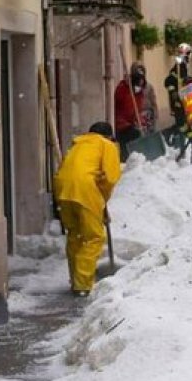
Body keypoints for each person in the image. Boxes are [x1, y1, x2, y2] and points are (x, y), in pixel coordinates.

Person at [53, 122, 122, 297]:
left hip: (62, 190)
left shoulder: (78, 145)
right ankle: (83, 285)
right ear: (108, 137)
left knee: (74, 234)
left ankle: (75, 279)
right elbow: (111, 178)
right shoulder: (106, 145)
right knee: (94, 237)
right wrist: (102, 201)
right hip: (84, 190)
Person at [164, 43, 192, 159]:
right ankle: (177, 144)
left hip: (183, 101)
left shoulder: (184, 66)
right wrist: (173, 93)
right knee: (182, 125)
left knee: (184, 125)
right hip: (178, 102)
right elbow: (168, 81)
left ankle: (180, 147)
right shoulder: (179, 66)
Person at [114, 66, 145, 161]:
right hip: (121, 123)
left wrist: (141, 121)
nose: (140, 86)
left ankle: (133, 159)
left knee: (136, 134)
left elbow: (137, 110)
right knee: (130, 137)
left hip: (130, 123)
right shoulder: (123, 89)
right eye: (138, 83)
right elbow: (118, 99)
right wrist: (126, 85)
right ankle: (125, 160)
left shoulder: (139, 93)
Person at [131, 61, 159, 133]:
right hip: (135, 118)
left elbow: (153, 102)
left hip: (148, 117)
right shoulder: (130, 88)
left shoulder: (148, 87)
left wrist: (155, 116)